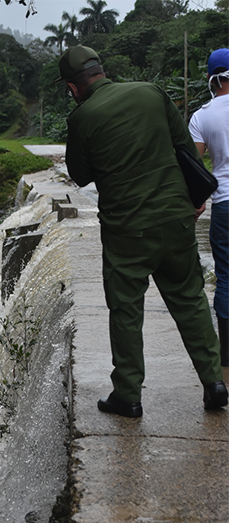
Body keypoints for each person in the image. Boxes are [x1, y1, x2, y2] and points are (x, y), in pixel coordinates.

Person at [56, 45, 228, 417]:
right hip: (176, 218)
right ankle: (214, 381)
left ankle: (128, 395)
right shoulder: (151, 92)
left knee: (126, 310)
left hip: (126, 230)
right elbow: (185, 148)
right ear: (102, 70)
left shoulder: (83, 117)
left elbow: (81, 175)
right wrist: (194, 197)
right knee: (190, 300)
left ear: (73, 87)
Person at [189, 48, 229, 367]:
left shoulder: (202, 115)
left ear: (212, 78)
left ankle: (226, 355)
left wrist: (198, 203)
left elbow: (194, 166)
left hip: (225, 205)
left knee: (226, 277)